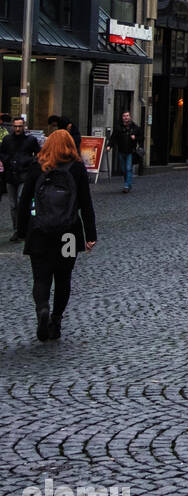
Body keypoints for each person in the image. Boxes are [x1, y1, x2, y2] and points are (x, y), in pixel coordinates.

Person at [16, 128, 96, 341]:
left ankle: (42, 308)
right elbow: (86, 204)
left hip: (40, 231)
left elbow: (24, 202)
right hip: (68, 234)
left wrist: (22, 231)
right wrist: (90, 235)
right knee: (63, 278)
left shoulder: (37, 167)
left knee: (41, 277)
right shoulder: (77, 169)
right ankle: (56, 319)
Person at [1, 116, 40, 241]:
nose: (17, 128)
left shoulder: (31, 140)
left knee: (21, 201)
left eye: (20, 126)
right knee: (13, 205)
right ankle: (17, 229)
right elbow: (1, 153)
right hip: (10, 175)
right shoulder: (7, 140)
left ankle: (22, 228)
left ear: (24, 127)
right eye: (16, 126)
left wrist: (29, 161)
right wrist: (7, 161)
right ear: (13, 126)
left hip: (24, 175)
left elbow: (38, 154)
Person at [112, 110, 142, 193]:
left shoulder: (135, 127)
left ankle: (126, 185)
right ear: (122, 118)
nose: (126, 117)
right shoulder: (118, 127)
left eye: (127, 116)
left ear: (130, 117)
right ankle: (128, 184)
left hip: (130, 152)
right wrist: (109, 146)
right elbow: (114, 137)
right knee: (123, 169)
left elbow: (141, 138)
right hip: (121, 151)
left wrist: (135, 138)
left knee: (128, 169)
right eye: (124, 116)